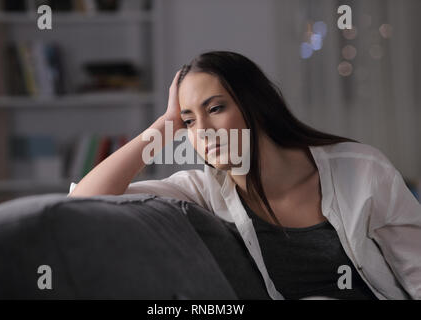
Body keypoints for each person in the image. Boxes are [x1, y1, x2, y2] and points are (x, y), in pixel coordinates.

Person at [68, 51, 421, 300]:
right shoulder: (202, 191)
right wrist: (166, 125)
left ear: (256, 105)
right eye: (190, 121)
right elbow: (83, 204)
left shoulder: (362, 169)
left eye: (216, 108)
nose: (202, 130)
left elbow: (416, 272)